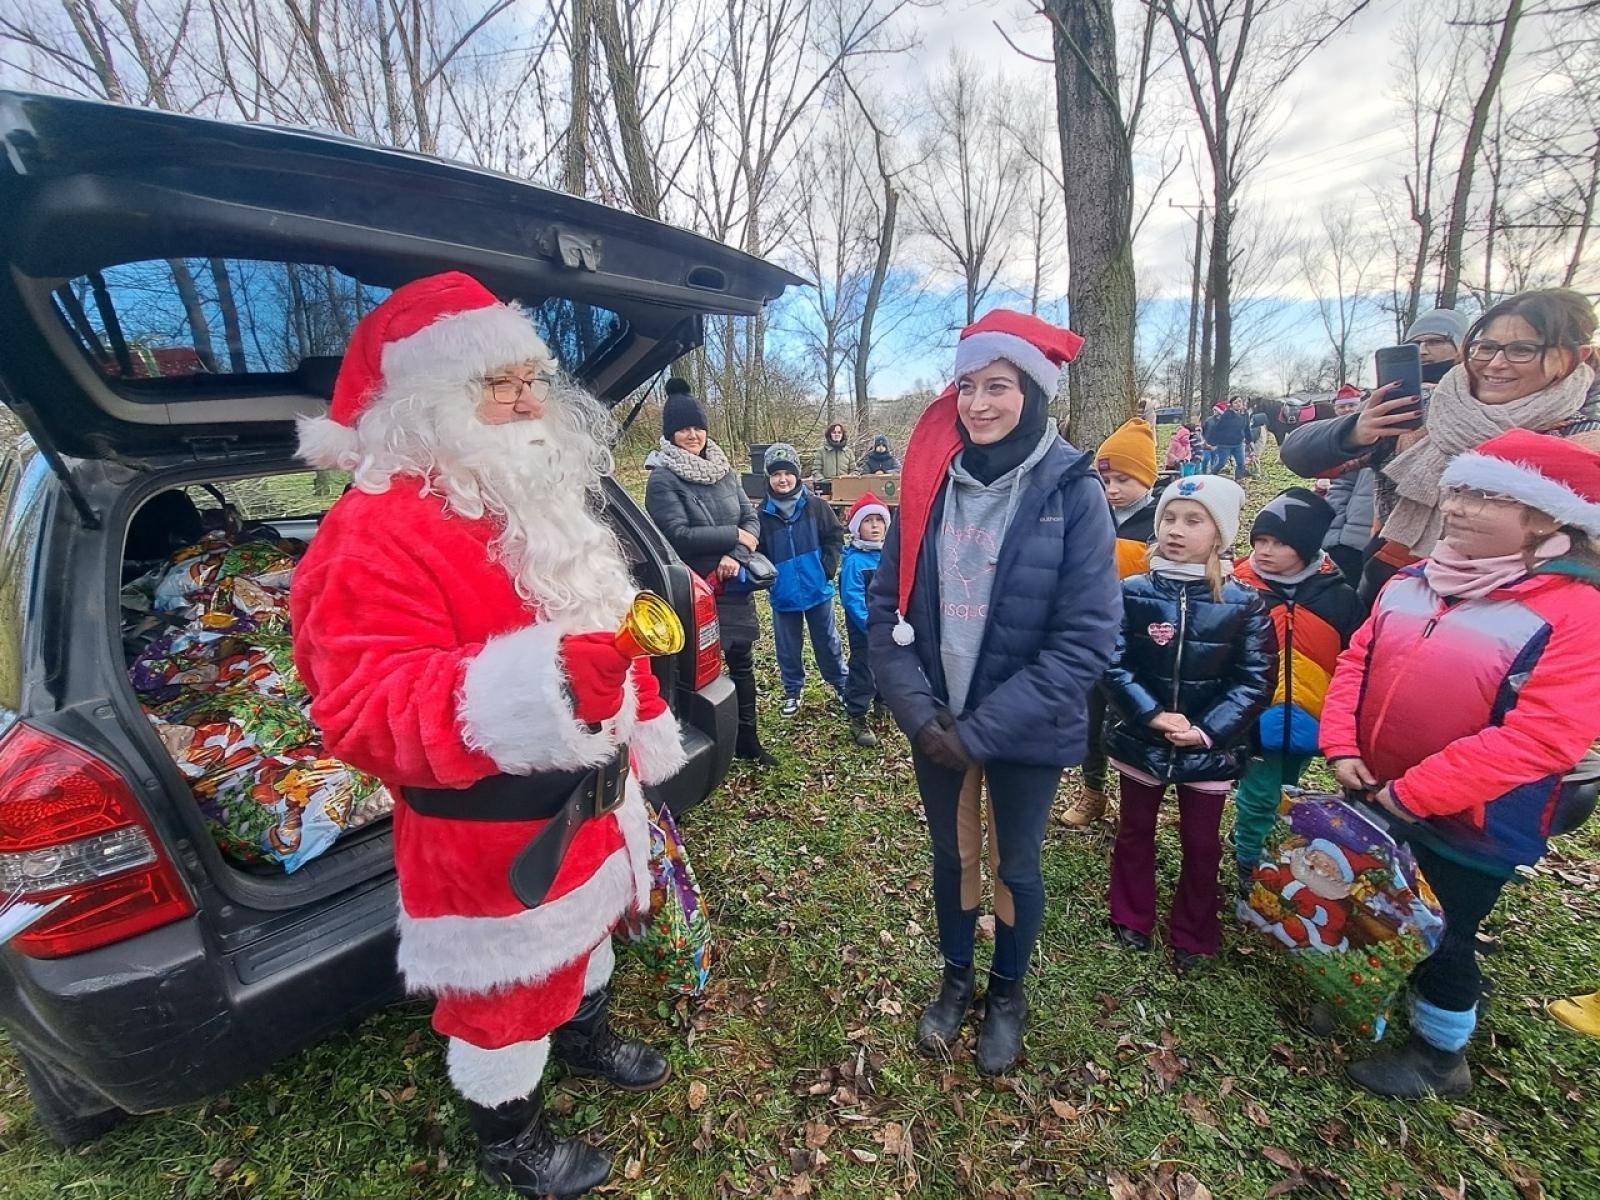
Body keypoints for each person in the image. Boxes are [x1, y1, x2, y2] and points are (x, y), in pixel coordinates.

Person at [290, 272, 685, 1198]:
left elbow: (607, 630)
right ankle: (509, 1133)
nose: (522, 398)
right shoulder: (371, 535)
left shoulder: (533, 497)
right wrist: (536, 686)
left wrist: (642, 717)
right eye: (491, 382)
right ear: (423, 404)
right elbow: (360, 705)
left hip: (592, 796)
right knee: (502, 1000)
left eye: (528, 377)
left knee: (591, 929)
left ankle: (583, 1036)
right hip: (485, 831)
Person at [869, 309, 1120, 1075]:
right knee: (954, 860)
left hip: (1025, 726)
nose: (979, 404)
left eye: (1000, 387)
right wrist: (919, 715)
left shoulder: (1073, 493)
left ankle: (1006, 992)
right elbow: (886, 610)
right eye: (969, 386)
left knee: (1017, 866)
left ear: (1034, 392)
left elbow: (1088, 641)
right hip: (936, 718)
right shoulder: (927, 486)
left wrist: (978, 734)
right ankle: (955, 979)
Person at [1323, 428, 1600, 1099]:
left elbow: (1541, 738)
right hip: (1380, 787)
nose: (1461, 507)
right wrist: (1342, 746)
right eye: (1460, 491)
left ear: (1547, 518)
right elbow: (1357, 660)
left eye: (1489, 497)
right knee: (1375, 902)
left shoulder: (1576, 612)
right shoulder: (1415, 580)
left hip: (1475, 817)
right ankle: (1367, 996)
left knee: (1443, 931)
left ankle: (1439, 1053)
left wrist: (1416, 793)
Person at [1281, 292, 1599, 605]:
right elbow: (1298, 456)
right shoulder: (1424, 411)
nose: (1497, 363)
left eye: (1523, 350)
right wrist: (1353, 432)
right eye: (1486, 347)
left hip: (1520, 612)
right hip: (1392, 591)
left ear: (1577, 356)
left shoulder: (1582, 436)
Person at [1101, 476, 1275, 972]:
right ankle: (1131, 914)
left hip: (1209, 748)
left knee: (1202, 842)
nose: (1177, 530)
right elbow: (1111, 661)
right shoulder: (1131, 591)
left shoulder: (1244, 603)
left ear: (1220, 533)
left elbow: (1255, 679)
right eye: (1170, 518)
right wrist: (1151, 714)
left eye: (1193, 520)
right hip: (1143, 738)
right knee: (1135, 828)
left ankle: (1195, 930)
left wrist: (1206, 730)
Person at [1231, 488, 1362, 890]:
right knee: (1259, 792)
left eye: (1280, 543)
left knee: (1289, 789)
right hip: (1254, 717)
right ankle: (1248, 859)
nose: (1266, 551)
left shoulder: (1339, 598)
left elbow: (1353, 658)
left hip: (1309, 719)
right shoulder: (1239, 589)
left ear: (1306, 547)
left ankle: (1275, 849)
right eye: (1260, 541)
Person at [644, 378, 774, 766]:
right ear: (671, 434)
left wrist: (736, 551)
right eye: (683, 428)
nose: (692, 435)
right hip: (698, 590)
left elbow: (752, 519)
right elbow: (678, 535)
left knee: (743, 663)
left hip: (735, 583)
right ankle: (705, 748)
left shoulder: (725, 472)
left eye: (698, 427)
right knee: (698, 673)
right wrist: (733, 535)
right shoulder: (663, 478)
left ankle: (747, 739)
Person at [1062, 417, 1160, 829]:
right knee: (1089, 720)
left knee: (1128, 720)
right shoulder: (1091, 514)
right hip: (1091, 639)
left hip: (1138, 645)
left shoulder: (1161, 523)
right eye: (1106, 479)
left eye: (1124, 478)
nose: (1113, 488)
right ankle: (1092, 791)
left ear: (1147, 479)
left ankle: (1132, 797)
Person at [759, 442, 848, 716]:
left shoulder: (817, 506)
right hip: (783, 593)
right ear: (768, 479)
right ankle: (792, 690)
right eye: (776, 474)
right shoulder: (761, 515)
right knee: (787, 646)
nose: (782, 479)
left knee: (827, 641)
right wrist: (770, 579)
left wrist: (826, 569)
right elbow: (758, 552)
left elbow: (834, 537)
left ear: (797, 475)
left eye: (787, 473)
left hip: (817, 589)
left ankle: (841, 683)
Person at [839, 493, 890, 747]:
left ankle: (883, 701)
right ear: (857, 526)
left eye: (879, 520)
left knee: (888, 667)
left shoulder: (889, 555)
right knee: (864, 669)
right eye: (867, 521)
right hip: (865, 630)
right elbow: (852, 598)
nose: (874, 526)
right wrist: (870, 625)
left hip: (891, 627)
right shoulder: (855, 561)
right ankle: (857, 715)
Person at [1320, 385, 1373, 583]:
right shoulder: (1365, 434)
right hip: (1351, 540)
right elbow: (1343, 485)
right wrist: (1334, 535)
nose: (1347, 410)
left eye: (1352, 405)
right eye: (1342, 406)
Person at [1202, 396, 1250, 481]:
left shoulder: (1245, 415)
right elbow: (1218, 428)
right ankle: (1211, 476)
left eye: (1240, 402)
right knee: (1221, 463)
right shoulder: (1227, 415)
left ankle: (1238, 480)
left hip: (1238, 444)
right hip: (1225, 445)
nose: (1238, 404)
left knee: (1241, 463)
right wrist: (1211, 443)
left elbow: (1247, 429)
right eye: (1236, 402)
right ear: (1231, 405)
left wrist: (1250, 441)